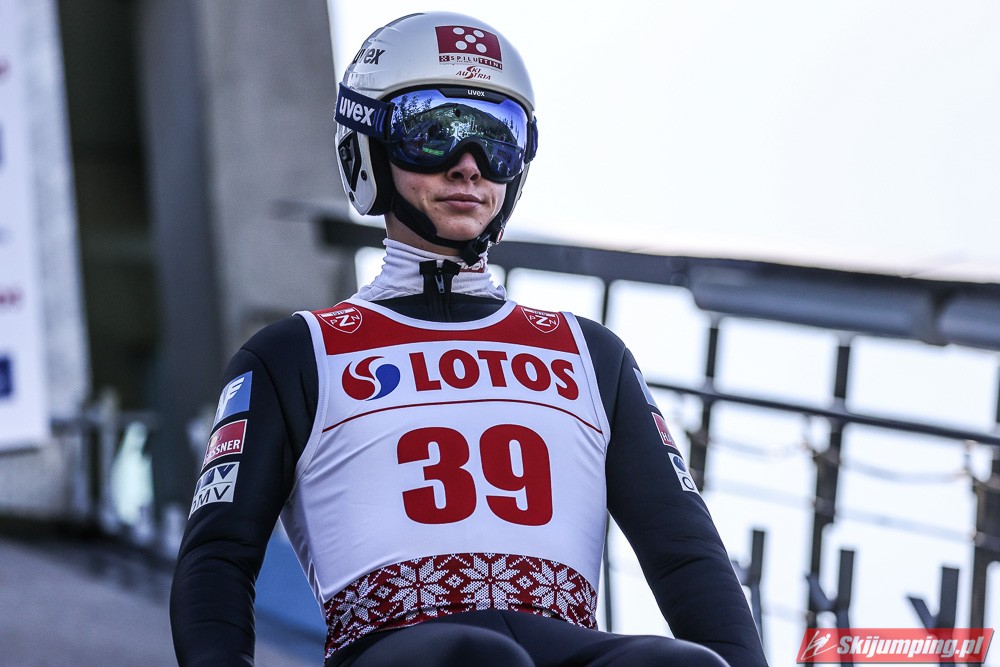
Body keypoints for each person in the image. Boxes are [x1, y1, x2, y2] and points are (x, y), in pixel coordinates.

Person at [170, 11, 769, 667]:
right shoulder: (294, 354)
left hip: (559, 641)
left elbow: (688, 556)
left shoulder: (591, 355)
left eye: (497, 139)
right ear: (368, 147)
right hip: (401, 651)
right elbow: (219, 555)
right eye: (431, 134)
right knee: (479, 658)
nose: (468, 166)